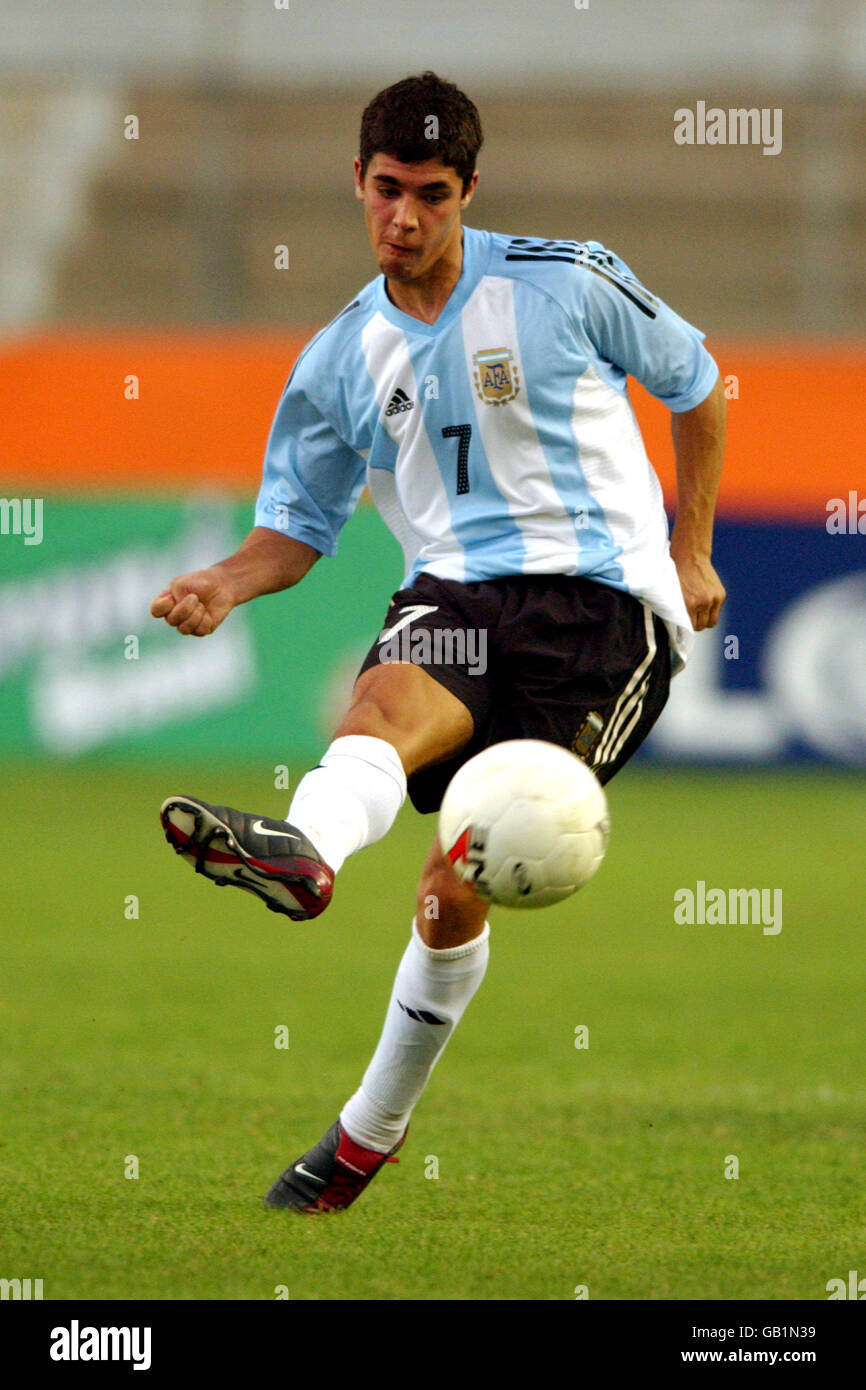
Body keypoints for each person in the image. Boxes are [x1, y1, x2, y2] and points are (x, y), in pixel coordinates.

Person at [150, 71, 726, 1215]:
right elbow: (298, 527)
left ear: (469, 190)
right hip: (454, 593)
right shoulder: (335, 362)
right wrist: (223, 580)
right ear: (352, 183)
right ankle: (304, 853)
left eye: (428, 193)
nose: (401, 218)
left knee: (451, 877)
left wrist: (692, 548)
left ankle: (365, 1136)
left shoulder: (565, 282)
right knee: (375, 711)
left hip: (601, 605)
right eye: (382, 191)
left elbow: (698, 386)